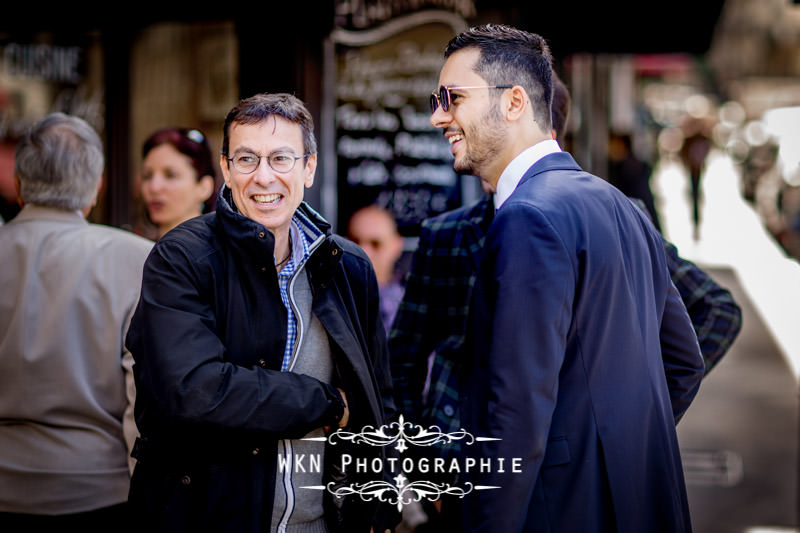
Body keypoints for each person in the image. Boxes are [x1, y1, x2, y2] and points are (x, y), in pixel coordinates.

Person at [427, 24, 704, 532]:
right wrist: (614, 450)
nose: (438, 115)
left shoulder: (526, 218)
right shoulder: (620, 205)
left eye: (453, 97)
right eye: (437, 98)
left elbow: (515, 416)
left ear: (513, 103)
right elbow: (683, 361)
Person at [125, 92, 398, 533]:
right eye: (247, 159)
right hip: (207, 519)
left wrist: (381, 502)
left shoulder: (348, 266)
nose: (263, 177)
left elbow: (377, 394)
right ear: (226, 170)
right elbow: (194, 390)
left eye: (281, 158)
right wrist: (327, 405)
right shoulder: (181, 258)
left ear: (309, 168)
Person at [0, 113, 153, 530]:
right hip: (100, 492)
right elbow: (142, 396)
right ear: (97, 187)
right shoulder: (135, 258)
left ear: (18, 185)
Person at [139, 126, 217, 239]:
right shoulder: (138, 252)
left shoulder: (225, 254)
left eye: (171, 175)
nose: (154, 187)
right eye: (147, 176)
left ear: (205, 187)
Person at [347, 204, 406, 329]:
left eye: (375, 244)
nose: (364, 252)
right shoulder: (330, 298)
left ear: (396, 246)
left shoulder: (414, 301)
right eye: (355, 242)